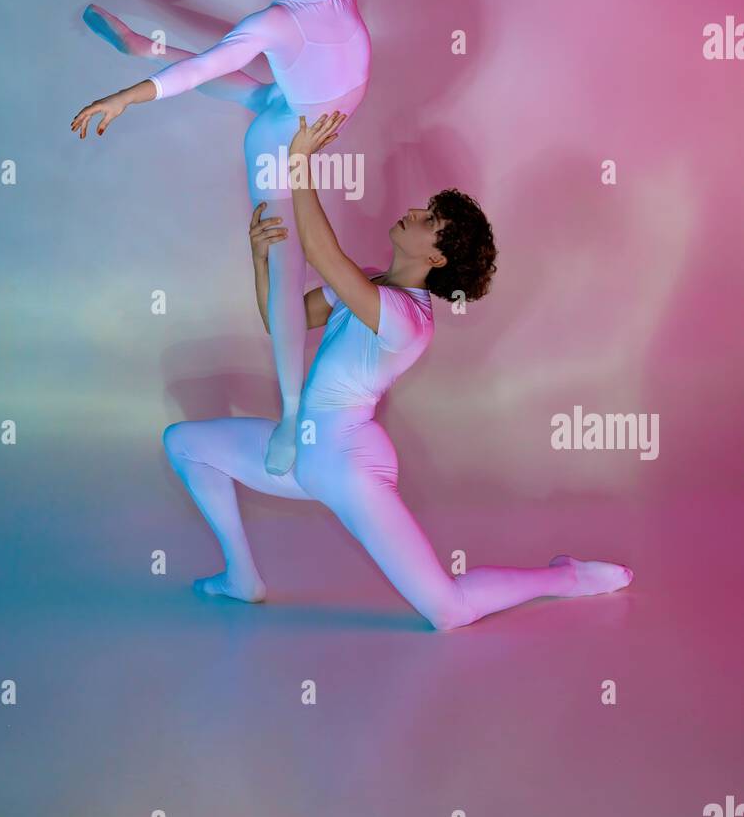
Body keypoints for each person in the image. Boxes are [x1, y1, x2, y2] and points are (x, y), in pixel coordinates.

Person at [163, 113, 634, 631]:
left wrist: (299, 161)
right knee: (184, 442)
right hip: (300, 451)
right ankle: (241, 578)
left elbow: (322, 252)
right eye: (427, 210)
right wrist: (260, 260)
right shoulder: (368, 284)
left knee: (447, 611)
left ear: (434, 255)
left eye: (430, 220)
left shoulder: (408, 319)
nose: (414, 212)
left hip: (348, 466)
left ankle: (566, 578)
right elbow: (286, 324)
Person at [71, 0, 412, 473]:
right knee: (286, 265)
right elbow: (201, 69)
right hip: (281, 147)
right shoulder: (274, 23)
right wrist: (122, 101)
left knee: (262, 92)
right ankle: (290, 415)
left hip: (295, 106)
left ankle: (142, 42)